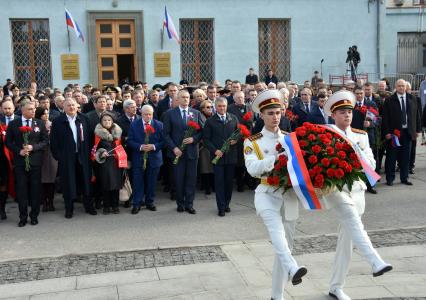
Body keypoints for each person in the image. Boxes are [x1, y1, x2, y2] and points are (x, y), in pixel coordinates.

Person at [322, 90, 393, 299]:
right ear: (333, 115)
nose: (347, 116)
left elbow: (371, 165)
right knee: (354, 222)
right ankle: (375, 261)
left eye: (349, 112)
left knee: (347, 240)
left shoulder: (361, 136)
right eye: (342, 112)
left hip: (358, 191)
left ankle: (336, 286)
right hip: (336, 190)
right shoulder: (326, 135)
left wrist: (355, 155)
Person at [244, 90, 307, 300]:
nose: (275, 117)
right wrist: (276, 159)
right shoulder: (253, 142)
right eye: (270, 113)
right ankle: (293, 268)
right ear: (261, 115)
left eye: (278, 112)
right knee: (278, 237)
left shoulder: (291, 138)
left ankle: (276, 296)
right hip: (266, 193)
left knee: (285, 247)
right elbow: (253, 169)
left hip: (288, 196)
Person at [50, 98, 97, 218]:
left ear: (77, 106)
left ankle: (89, 206)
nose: (71, 107)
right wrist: (59, 157)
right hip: (67, 158)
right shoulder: (58, 121)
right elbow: (54, 142)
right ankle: (69, 208)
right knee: (68, 183)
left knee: (86, 182)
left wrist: (89, 154)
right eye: (68, 105)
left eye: (73, 105)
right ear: (64, 107)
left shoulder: (84, 119)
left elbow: (91, 138)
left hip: (83, 156)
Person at [6, 100, 48, 227]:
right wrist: (19, 151)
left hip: (35, 161)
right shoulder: (14, 124)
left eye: (34, 109)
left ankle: (34, 216)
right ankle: (22, 217)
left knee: (35, 189)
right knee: (22, 190)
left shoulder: (40, 123)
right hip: (20, 162)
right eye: (30, 109)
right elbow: (8, 142)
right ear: (23, 110)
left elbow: (45, 141)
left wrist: (33, 147)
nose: (33, 111)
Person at [163, 89, 202, 214]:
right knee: (179, 179)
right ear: (178, 99)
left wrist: (194, 138)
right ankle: (180, 203)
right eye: (183, 97)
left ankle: (189, 204)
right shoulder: (170, 114)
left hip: (191, 152)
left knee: (191, 179)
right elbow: (166, 134)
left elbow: (202, 131)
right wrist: (174, 148)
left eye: (187, 97)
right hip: (177, 153)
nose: (185, 99)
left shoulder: (196, 113)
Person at [203, 98, 239, 216]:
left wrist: (236, 140)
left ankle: (227, 203)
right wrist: (215, 150)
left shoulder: (233, 118)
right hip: (218, 157)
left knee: (228, 183)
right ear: (215, 107)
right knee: (219, 183)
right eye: (219, 106)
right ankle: (221, 207)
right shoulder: (210, 121)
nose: (222, 108)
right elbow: (206, 140)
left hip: (231, 156)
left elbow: (239, 133)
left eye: (224, 106)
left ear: (227, 106)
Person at [382, 79, 421, 186]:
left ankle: (404, 178)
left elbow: (416, 115)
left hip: (408, 133)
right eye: (399, 86)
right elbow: (385, 118)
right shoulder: (390, 100)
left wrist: (417, 129)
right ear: (396, 87)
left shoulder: (412, 99)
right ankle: (390, 179)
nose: (401, 88)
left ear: (406, 87)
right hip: (394, 133)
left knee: (405, 157)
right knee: (392, 157)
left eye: (403, 86)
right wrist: (386, 132)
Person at [127, 105, 164, 214]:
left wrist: (153, 146)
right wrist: (140, 147)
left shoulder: (159, 125)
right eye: (145, 114)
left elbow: (164, 141)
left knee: (151, 182)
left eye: (150, 114)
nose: (148, 116)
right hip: (138, 158)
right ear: (141, 114)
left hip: (154, 158)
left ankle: (150, 202)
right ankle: (137, 204)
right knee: (138, 182)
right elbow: (130, 141)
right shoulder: (134, 124)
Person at [93, 112, 123, 214]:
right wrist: (101, 152)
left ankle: (115, 205)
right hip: (104, 163)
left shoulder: (118, 132)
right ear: (101, 122)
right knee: (105, 184)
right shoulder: (97, 134)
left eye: (109, 120)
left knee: (116, 185)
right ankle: (106, 205)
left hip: (116, 162)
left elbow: (122, 146)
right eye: (104, 120)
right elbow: (94, 149)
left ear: (112, 121)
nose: (107, 122)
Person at [352, 87, 378, 194]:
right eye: (357, 93)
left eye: (361, 93)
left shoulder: (371, 104)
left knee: (369, 161)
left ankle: (370, 185)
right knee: (356, 162)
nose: (359, 95)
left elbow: (377, 119)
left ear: (364, 93)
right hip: (354, 137)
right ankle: (357, 184)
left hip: (368, 136)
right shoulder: (351, 104)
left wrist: (370, 123)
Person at [228, 91, 253, 192]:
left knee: (249, 160)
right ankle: (240, 184)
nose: (240, 99)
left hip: (249, 139)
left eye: (242, 97)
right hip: (237, 139)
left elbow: (252, 122)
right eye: (238, 98)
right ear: (234, 99)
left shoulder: (249, 107)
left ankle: (249, 181)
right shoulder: (230, 109)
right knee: (239, 163)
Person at [35, 107, 58, 212]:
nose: (46, 115)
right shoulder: (36, 125)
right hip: (40, 154)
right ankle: (44, 202)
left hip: (52, 154)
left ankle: (51, 202)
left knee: (52, 179)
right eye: (44, 114)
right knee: (43, 180)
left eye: (47, 113)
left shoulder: (53, 124)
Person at [198, 100, 215, 195]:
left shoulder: (214, 117)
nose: (210, 109)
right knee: (205, 167)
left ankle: (213, 185)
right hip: (204, 146)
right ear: (202, 109)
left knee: (213, 166)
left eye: (211, 107)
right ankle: (206, 186)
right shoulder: (200, 117)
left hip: (213, 145)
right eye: (207, 107)